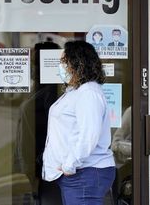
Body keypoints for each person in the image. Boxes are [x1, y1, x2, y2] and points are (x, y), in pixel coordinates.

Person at [42, 40, 115, 205]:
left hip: (85, 173)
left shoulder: (88, 93)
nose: (61, 66)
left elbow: (89, 134)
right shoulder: (77, 91)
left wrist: (69, 165)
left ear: (77, 63)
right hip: (80, 173)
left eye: (64, 61)